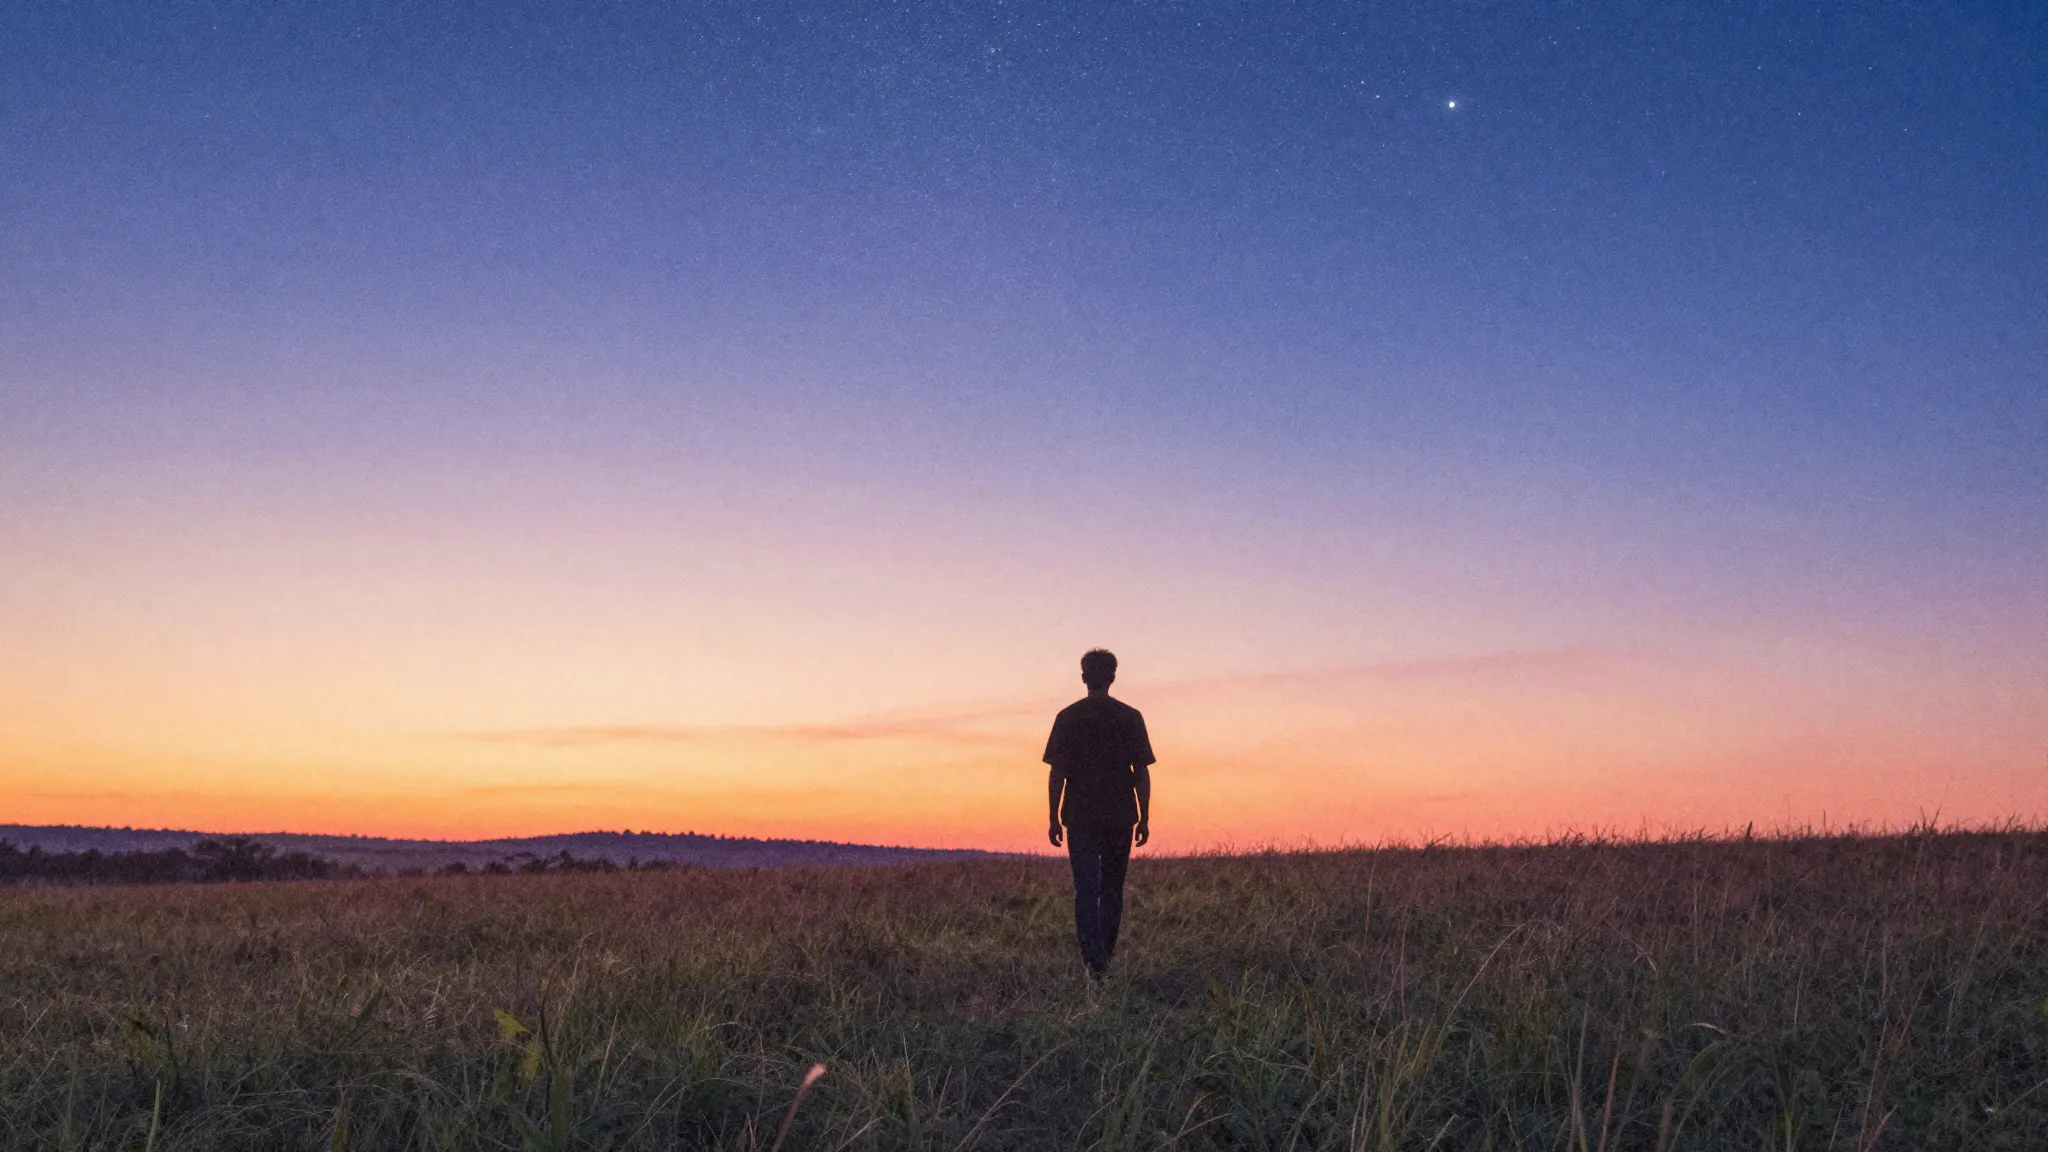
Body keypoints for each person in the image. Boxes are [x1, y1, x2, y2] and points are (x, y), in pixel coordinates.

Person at [1043, 648, 1154, 978]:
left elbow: (1057, 773)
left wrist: (1053, 817)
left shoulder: (1068, 717)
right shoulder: (1130, 717)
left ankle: (1093, 962)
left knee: (1086, 890)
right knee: (1112, 890)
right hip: (1120, 816)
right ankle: (1103, 957)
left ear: (1083, 677)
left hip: (1080, 817)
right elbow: (1141, 772)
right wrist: (1144, 816)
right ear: (1113, 677)